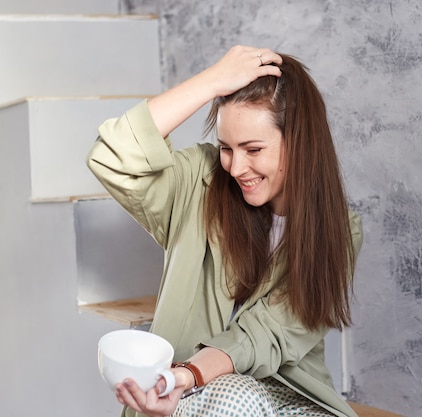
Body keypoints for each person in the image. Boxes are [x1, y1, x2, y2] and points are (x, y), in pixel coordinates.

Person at [87, 45, 363, 417]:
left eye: (253, 149)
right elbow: (113, 155)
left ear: (299, 143)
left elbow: (266, 335)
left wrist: (187, 374)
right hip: (190, 394)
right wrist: (211, 82)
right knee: (235, 400)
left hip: (288, 393)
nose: (235, 168)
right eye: (226, 148)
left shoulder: (339, 229)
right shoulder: (197, 184)